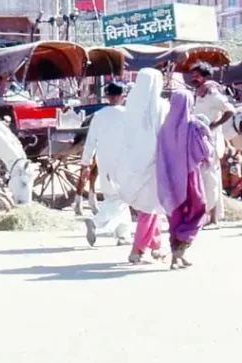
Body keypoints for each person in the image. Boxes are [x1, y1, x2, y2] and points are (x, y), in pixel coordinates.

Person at [113, 69, 171, 264]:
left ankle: (156, 245)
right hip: (155, 161)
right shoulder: (162, 105)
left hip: (132, 161)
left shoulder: (131, 104)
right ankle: (137, 249)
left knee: (149, 206)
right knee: (149, 207)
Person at [156, 91, 215, 269]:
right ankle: (181, 245)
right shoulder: (192, 126)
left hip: (169, 178)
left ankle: (177, 256)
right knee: (198, 209)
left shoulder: (164, 127)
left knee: (175, 214)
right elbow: (204, 151)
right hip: (190, 177)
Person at [79, 81, 132, 246]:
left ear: (108, 96)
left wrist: (85, 164)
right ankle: (96, 222)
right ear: (123, 96)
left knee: (114, 196)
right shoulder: (129, 114)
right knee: (122, 197)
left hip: (104, 162)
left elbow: (90, 142)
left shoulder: (99, 115)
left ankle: (123, 235)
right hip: (124, 161)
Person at [189, 62, 234, 226]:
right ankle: (213, 217)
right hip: (200, 139)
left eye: (197, 76)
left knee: (210, 177)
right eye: (192, 76)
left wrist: (214, 125)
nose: (194, 79)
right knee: (208, 177)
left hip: (211, 140)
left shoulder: (212, 92)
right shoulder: (199, 92)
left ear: (206, 76)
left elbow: (230, 110)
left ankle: (209, 215)